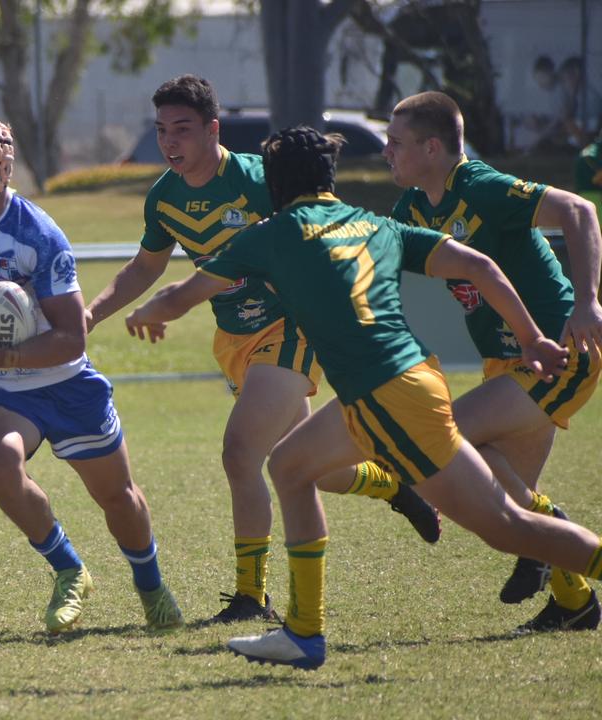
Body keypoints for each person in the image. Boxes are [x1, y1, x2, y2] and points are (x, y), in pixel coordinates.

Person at [125, 125, 602, 669]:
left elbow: (181, 295)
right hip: (404, 381)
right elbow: (479, 266)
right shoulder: (375, 222)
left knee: (507, 528)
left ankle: (305, 633)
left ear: (277, 184)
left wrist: (146, 313)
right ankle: (304, 634)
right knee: (290, 466)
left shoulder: (274, 232)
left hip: (386, 395)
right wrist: (531, 336)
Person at [85, 76, 440, 624]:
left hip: (289, 327)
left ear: (213, 129)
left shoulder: (259, 179)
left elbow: (324, 226)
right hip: (235, 340)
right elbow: (146, 267)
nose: (170, 141)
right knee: (308, 469)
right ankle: (390, 481)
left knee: (240, 453)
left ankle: (253, 596)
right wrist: (91, 314)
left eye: (182, 129)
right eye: (161, 131)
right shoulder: (164, 196)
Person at [0, 117, 183, 634]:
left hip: (64, 381)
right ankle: (69, 570)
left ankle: (150, 585)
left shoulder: (38, 236)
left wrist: (2, 355)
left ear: (4, 171)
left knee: (117, 497)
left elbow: (73, 337)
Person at [386, 91, 602, 629]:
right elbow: (374, 264)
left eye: (395, 143)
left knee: (445, 435)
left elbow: (580, 209)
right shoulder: (412, 206)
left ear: (432, 147)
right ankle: (575, 603)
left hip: (558, 350)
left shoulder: (481, 187)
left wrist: (587, 301)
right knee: (510, 503)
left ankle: (545, 545)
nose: (386, 152)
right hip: (503, 364)